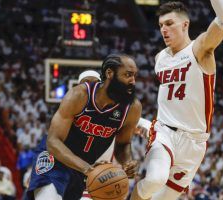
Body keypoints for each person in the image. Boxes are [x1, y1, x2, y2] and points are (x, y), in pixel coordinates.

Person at [131, 1, 223, 200]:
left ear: (185, 25)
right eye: (161, 25)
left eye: (169, 23)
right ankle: (146, 126)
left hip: (195, 143)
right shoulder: (160, 58)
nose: (164, 30)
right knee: (154, 180)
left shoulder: (200, 50)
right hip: (165, 132)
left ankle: (142, 124)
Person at [26, 53, 142, 200]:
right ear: (109, 74)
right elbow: (53, 142)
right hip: (56, 158)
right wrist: (87, 168)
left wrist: (127, 161)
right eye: (128, 75)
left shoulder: (132, 108)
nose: (133, 81)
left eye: (135, 76)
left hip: (84, 168)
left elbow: (123, 144)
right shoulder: (79, 95)